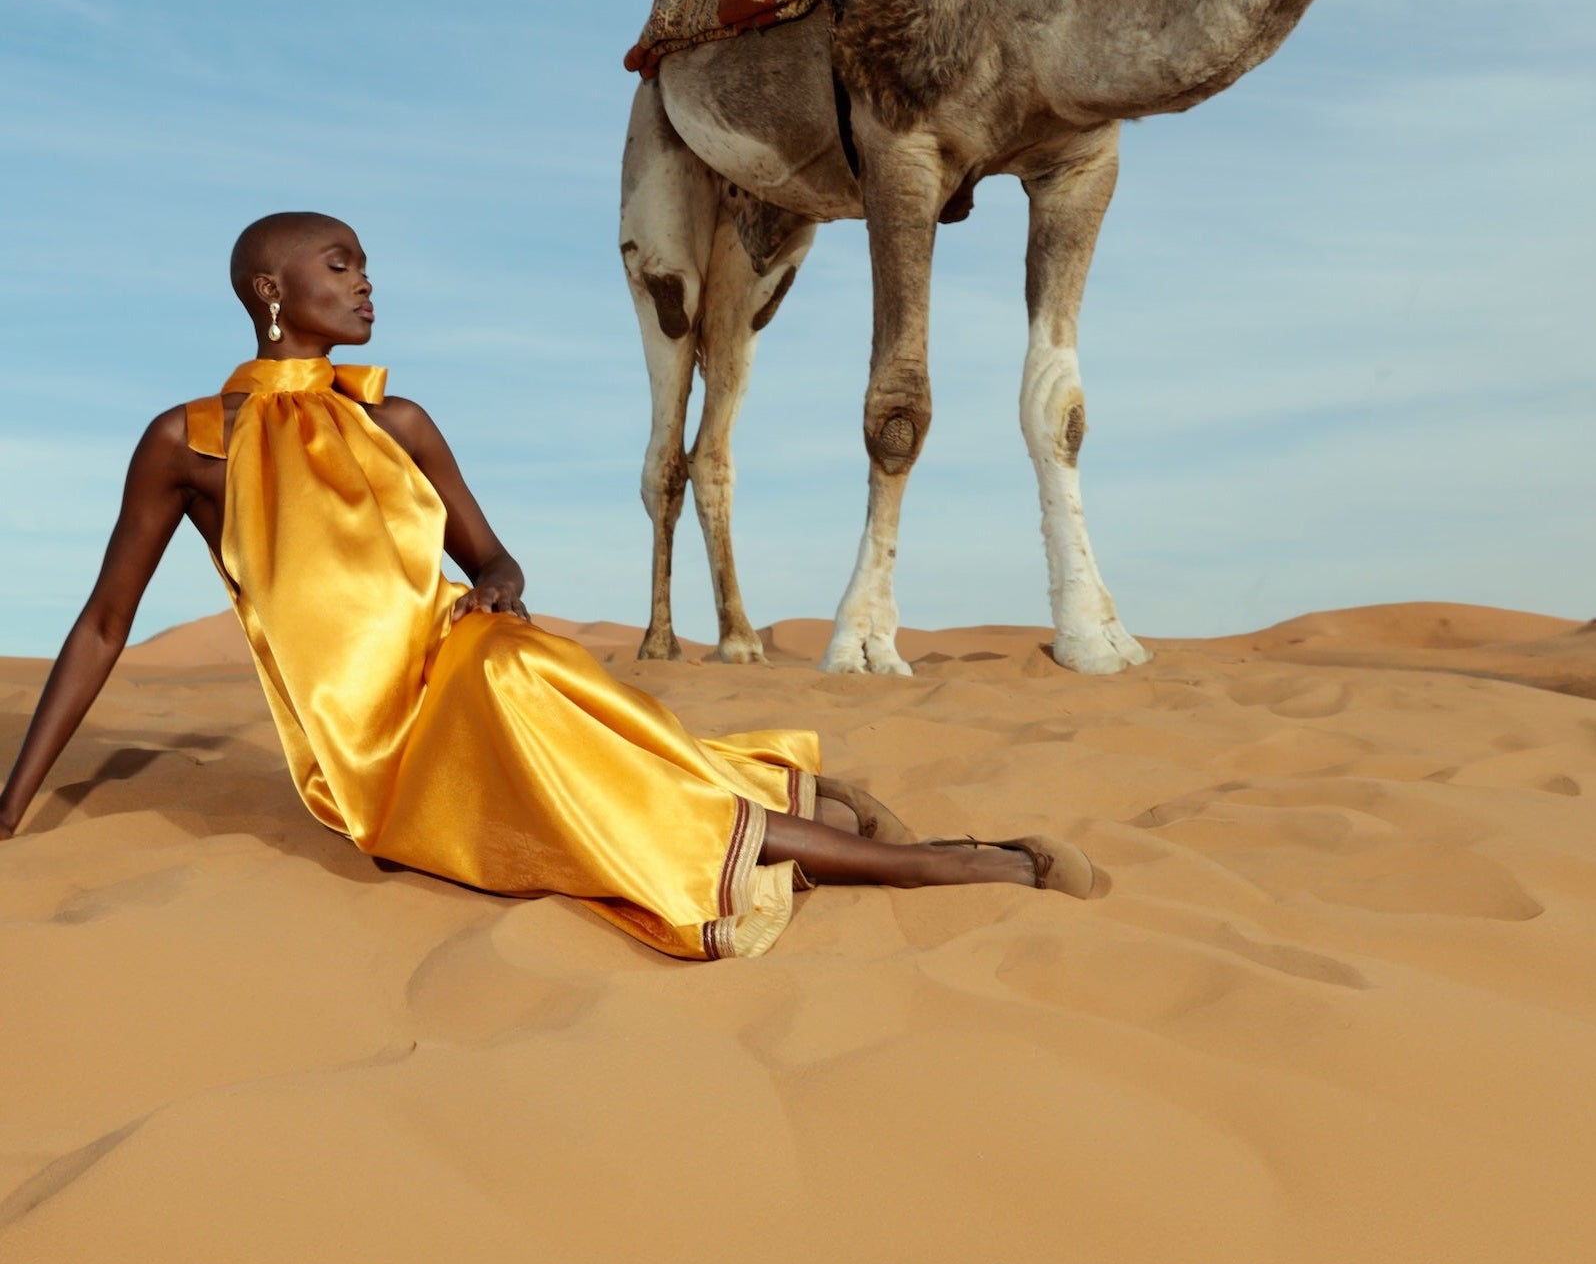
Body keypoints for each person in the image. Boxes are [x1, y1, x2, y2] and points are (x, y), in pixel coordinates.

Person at [0, 213, 1096, 958]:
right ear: (268, 289)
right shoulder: (186, 443)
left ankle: (920, 865)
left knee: (523, 684)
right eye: (339, 263)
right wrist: (13, 806)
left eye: (364, 261)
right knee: (572, 760)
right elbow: (104, 626)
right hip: (374, 750)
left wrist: (497, 593)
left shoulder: (400, 420)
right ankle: (874, 846)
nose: (365, 278)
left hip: (469, 661)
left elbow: (495, 563)